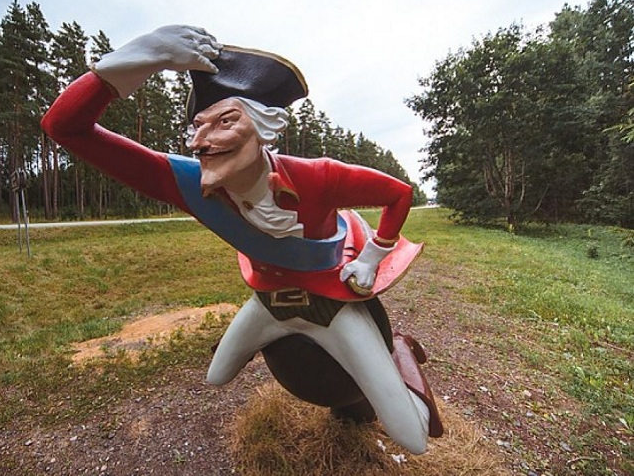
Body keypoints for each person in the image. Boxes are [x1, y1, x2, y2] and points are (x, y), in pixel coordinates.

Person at [42, 24, 442, 454]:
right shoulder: (188, 183)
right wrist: (138, 58)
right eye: (197, 127)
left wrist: (371, 257)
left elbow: (399, 194)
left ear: (263, 127)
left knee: (412, 436)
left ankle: (397, 350)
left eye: (224, 122)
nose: (202, 142)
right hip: (268, 300)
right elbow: (64, 127)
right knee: (217, 376)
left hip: (333, 304)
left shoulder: (319, 176)